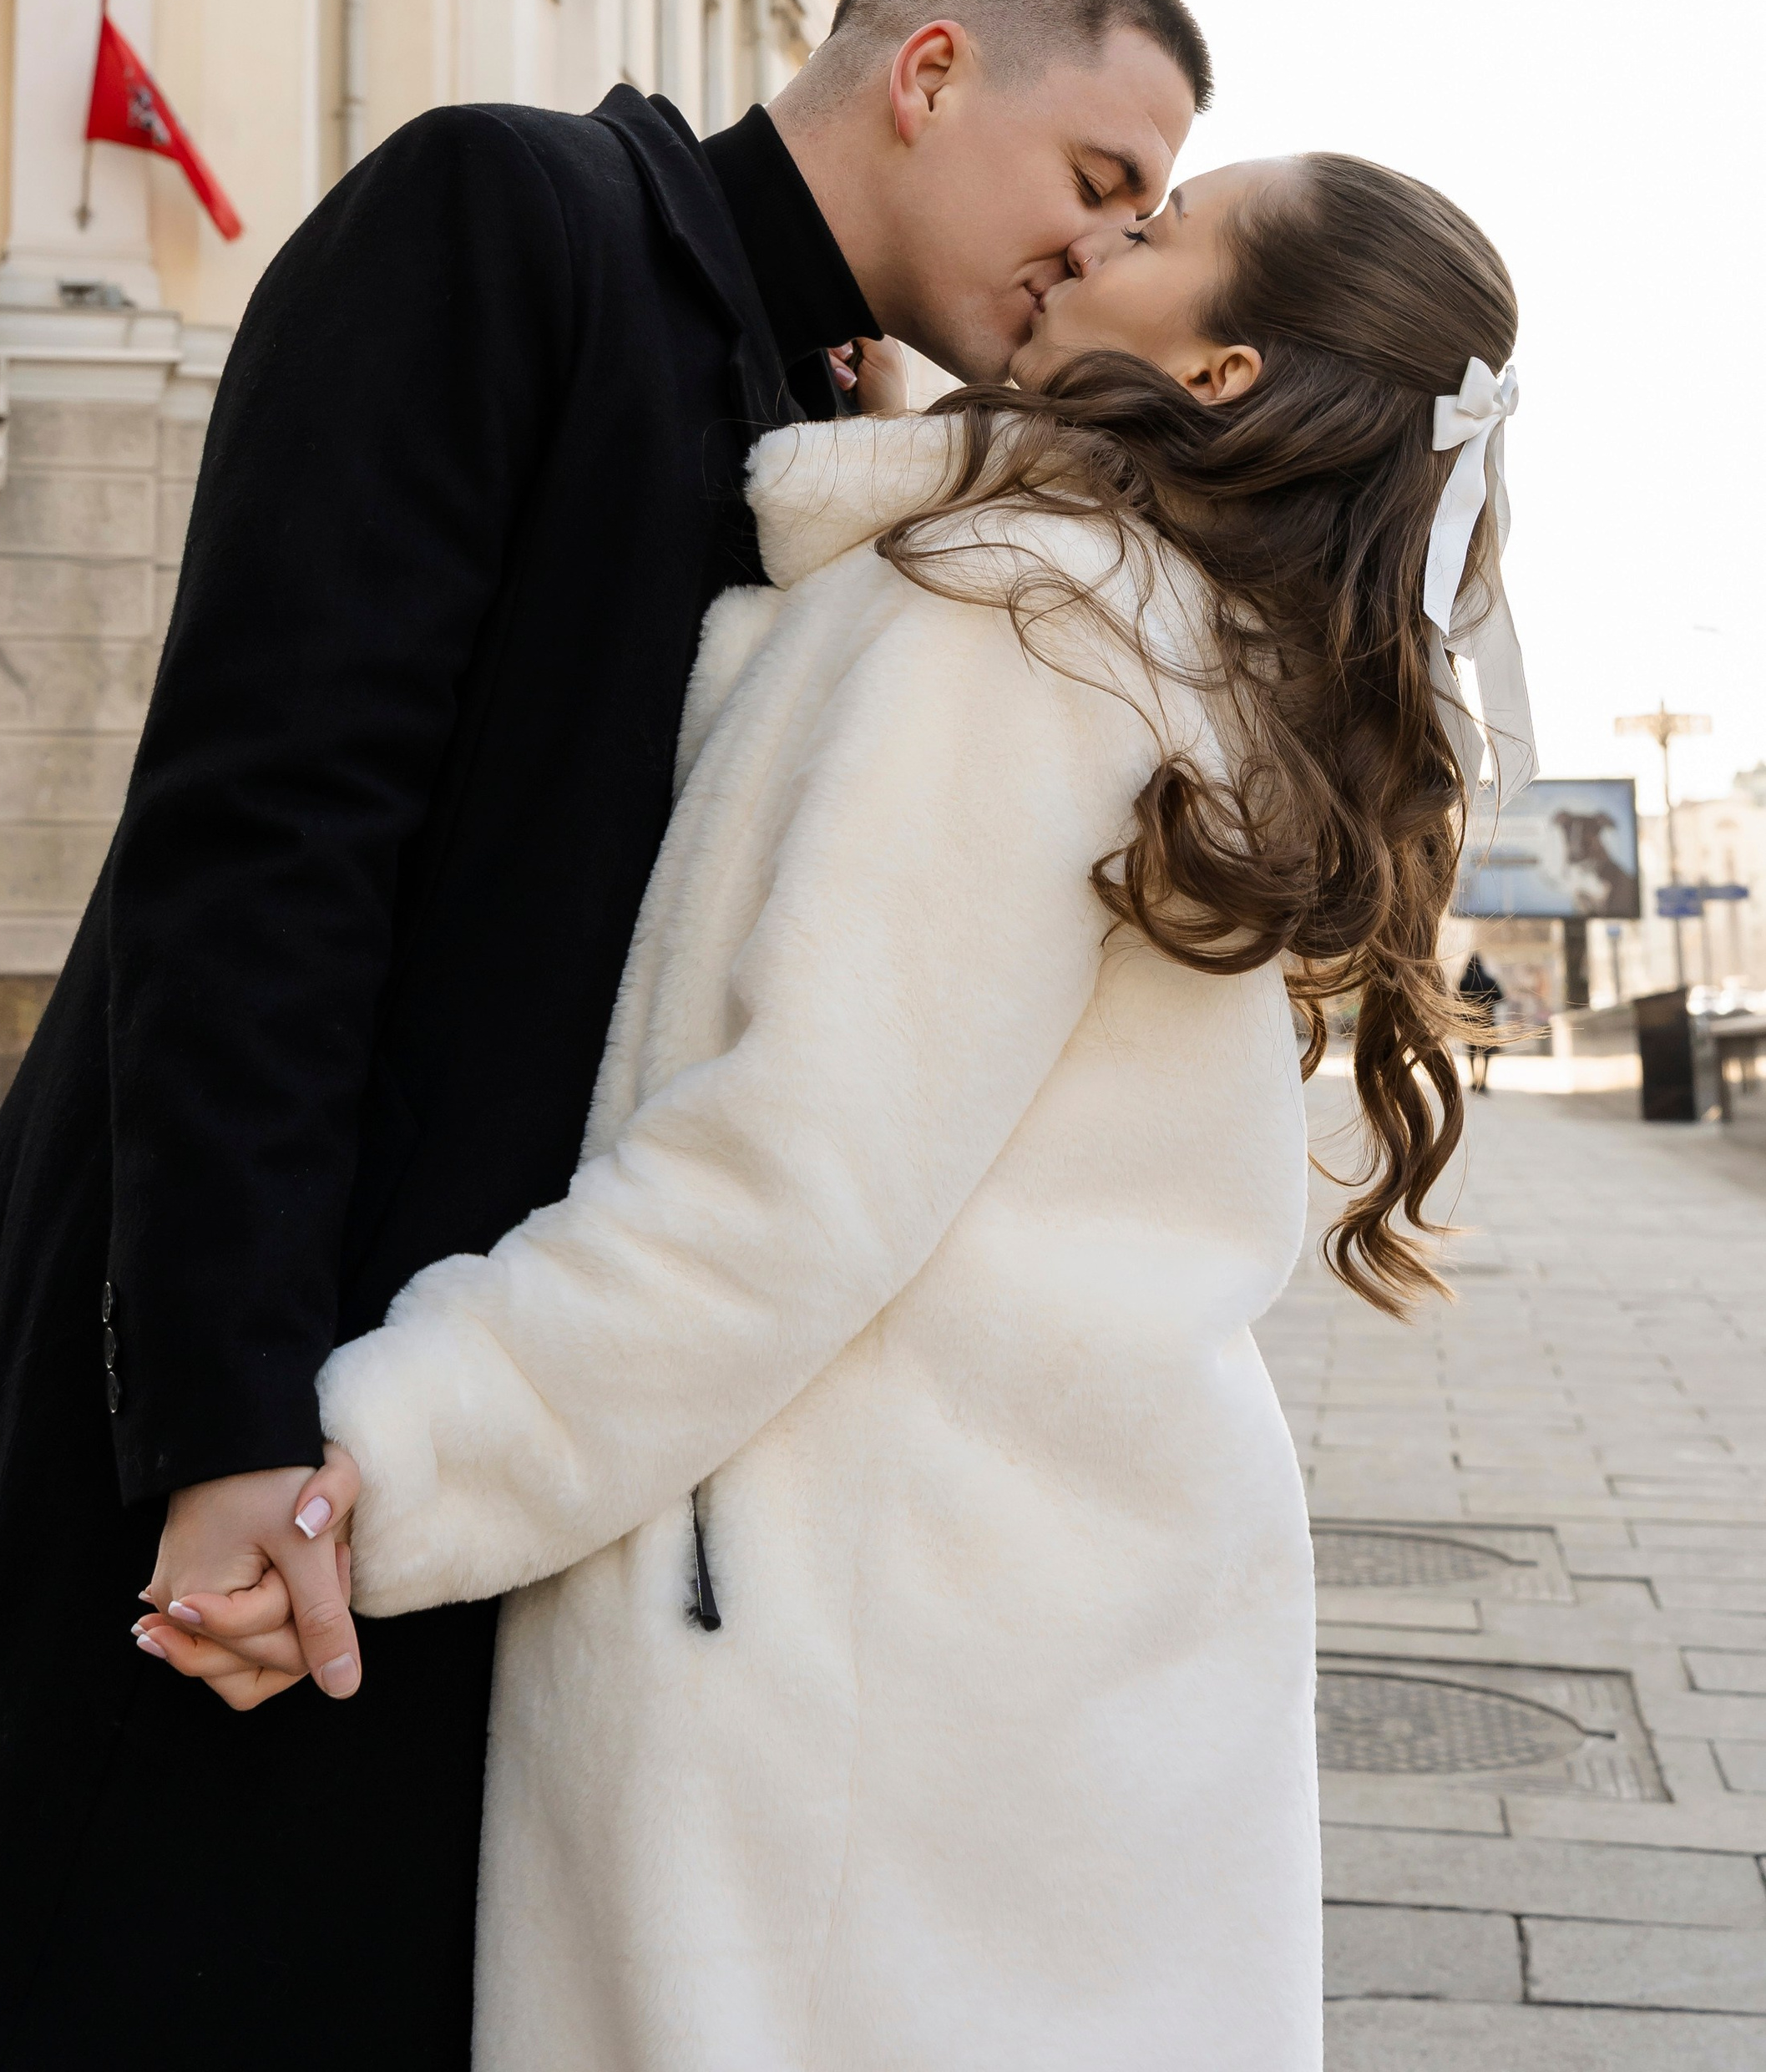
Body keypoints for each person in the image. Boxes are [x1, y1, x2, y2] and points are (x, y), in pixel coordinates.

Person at [0, 0, 1210, 2069]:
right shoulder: (510, 215)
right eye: (1101, 181)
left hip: (454, 1413)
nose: (1101, 247)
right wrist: (222, 1425)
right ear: (933, 71)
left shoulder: (818, 421)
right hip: (249, 1360)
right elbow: (262, 840)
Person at [147, 148, 1527, 2070]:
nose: (1092, 234)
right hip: (1043, 1586)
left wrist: (376, 1467)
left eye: (1159, 224)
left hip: (855, 1614)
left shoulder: (1019, 626)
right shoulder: (1172, 633)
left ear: (1220, 369)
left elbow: (781, 1179)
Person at [1460, 950, 1506, 1091]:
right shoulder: (1490, 980)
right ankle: (1484, 1081)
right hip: (1487, 1021)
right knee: (1486, 1053)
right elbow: (1500, 998)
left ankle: (1474, 1080)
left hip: (1470, 1023)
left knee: (1472, 1052)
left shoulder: (1464, 982)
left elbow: (1458, 1001)